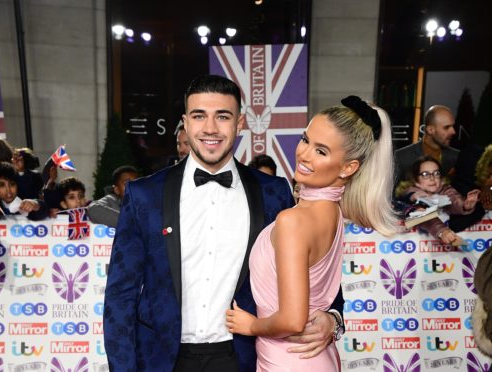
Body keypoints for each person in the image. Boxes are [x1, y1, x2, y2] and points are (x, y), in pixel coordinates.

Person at [104, 75, 342, 372]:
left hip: (244, 356)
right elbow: (120, 294)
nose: (210, 128)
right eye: (199, 116)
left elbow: (316, 266)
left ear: (240, 122)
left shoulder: (273, 192)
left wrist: (334, 317)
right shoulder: (144, 195)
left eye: (223, 116)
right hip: (162, 359)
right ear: (185, 123)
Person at [226, 96, 398, 371]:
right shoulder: (333, 213)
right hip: (315, 357)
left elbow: (293, 321)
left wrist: (251, 325)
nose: (304, 154)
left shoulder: (294, 220)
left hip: (290, 360)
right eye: (305, 140)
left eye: (321, 151)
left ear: (348, 168)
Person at [400, 156, 479, 244]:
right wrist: (442, 232)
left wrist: (465, 205)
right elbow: (423, 216)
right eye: (425, 174)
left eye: (436, 173)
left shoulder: (446, 190)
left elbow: (454, 199)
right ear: (416, 181)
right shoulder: (411, 195)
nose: (432, 178)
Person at [395, 105, 459, 184]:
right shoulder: (401, 157)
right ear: (430, 130)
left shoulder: (458, 157)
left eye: (453, 126)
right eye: (447, 127)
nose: (453, 131)